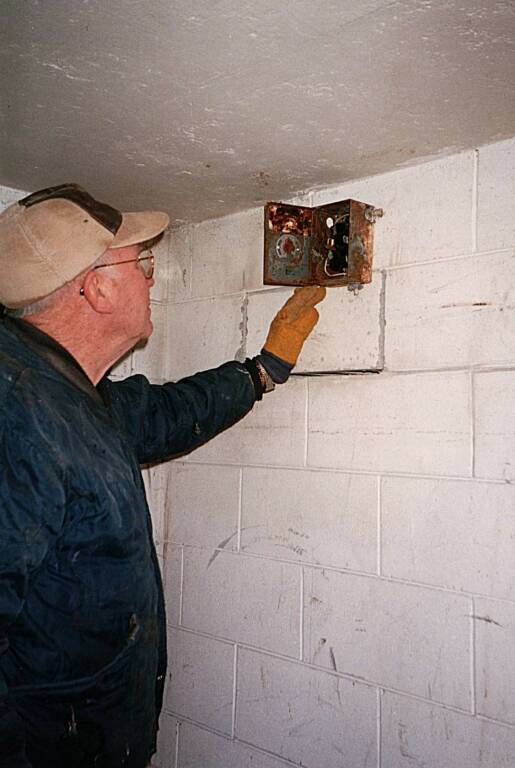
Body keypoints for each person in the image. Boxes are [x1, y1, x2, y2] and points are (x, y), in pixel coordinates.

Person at [0, 184, 325, 768]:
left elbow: (164, 413)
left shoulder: (65, 391)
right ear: (97, 288)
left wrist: (264, 369)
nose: (152, 278)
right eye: (142, 264)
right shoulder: (16, 412)